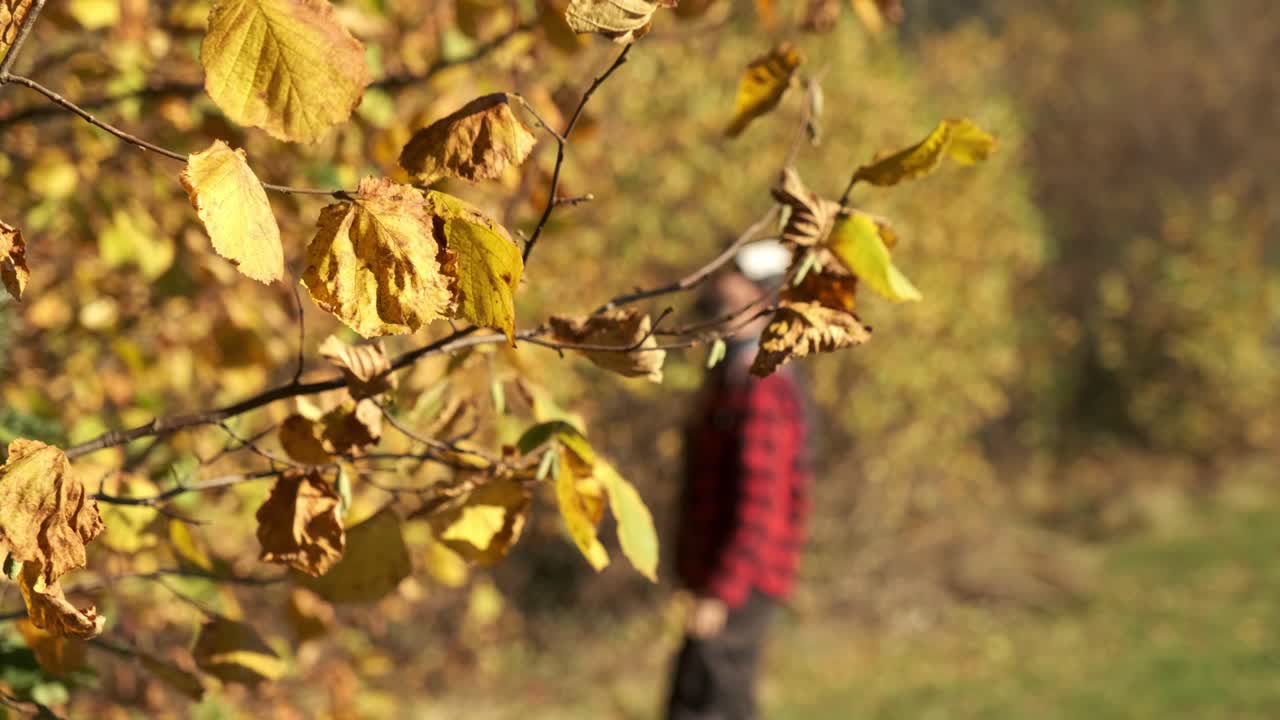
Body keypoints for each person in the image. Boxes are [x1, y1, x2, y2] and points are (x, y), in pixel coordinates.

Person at [666, 242, 813, 720]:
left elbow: (760, 505)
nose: (716, 302)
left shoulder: (762, 387)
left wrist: (720, 592)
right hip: (729, 577)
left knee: (709, 704)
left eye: (731, 296)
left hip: (743, 580)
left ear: (763, 299)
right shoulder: (732, 377)